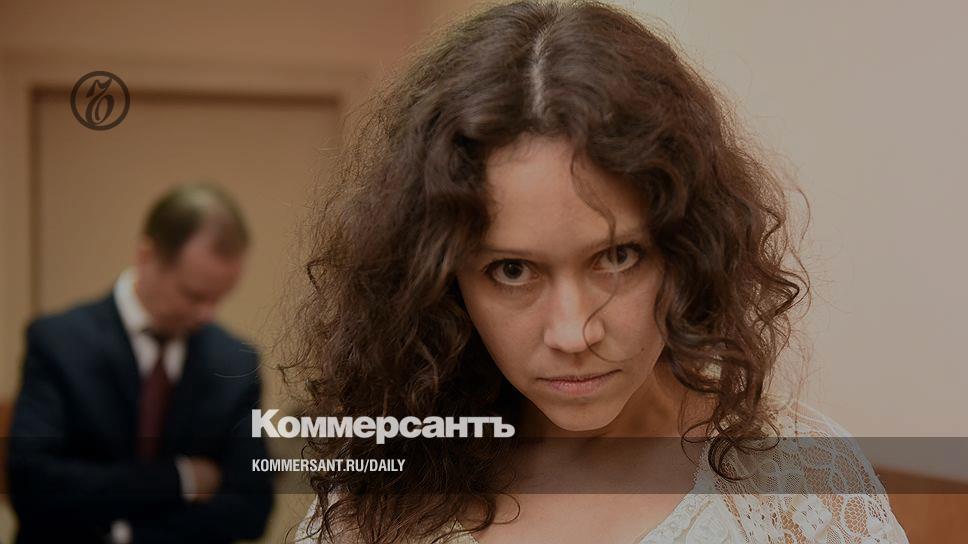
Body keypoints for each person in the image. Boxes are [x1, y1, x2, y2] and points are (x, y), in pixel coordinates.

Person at [287, 1, 910, 542]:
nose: (573, 332)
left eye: (617, 258)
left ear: (688, 247)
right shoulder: (375, 499)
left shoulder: (797, 487)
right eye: (511, 270)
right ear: (439, 281)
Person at [7, 182, 273, 543]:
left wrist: (125, 529)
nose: (207, 315)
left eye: (219, 298)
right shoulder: (58, 342)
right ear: (147, 256)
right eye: (194, 295)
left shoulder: (234, 363)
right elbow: (32, 484)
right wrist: (181, 478)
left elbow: (251, 510)